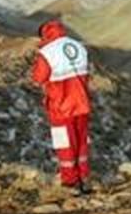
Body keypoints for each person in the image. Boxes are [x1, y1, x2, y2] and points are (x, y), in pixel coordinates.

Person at [30, 18, 92, 194]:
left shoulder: (47, 52)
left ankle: (70, 182)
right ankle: (84, 178)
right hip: (82, 103)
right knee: (81, 143)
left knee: (65, 144)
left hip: (60, 106)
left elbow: (38, 78)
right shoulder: (78, 46)